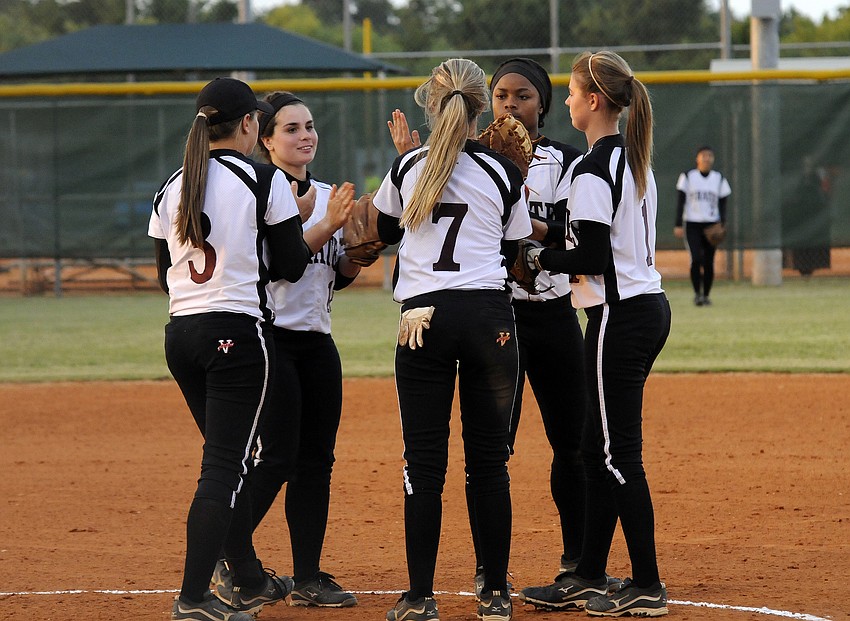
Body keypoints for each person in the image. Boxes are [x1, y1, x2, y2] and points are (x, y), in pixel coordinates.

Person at [389, 57, 592, 597]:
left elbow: (581, 239)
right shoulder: (482, 163)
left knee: (570, 443)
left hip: (546, 313)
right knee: (491, 452)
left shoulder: (566, 162)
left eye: (522, 95)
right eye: (500, 95)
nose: (510, 105)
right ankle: (490, 576)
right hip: (500, 315)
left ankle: (577, 563)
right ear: (485, 103)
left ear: (542, 103)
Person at [373, 57, 532, 621]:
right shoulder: (503, 172)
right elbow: (514, 253)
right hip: (488, 317)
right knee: (488, 462)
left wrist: (406, 159)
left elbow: (383, 229)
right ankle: (493, 595)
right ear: (481, 109)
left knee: (423, 463)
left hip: (422, 321)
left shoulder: (408, 167)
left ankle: (419, 596)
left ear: (431, 107)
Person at [148, 77, 312, 621]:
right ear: (249, 126)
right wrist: (312, 220)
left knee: (228, 460)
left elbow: (162, 277)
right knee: (225, 467)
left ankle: (246, 576)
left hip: (181, 335)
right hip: (235, 334)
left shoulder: (172, 184)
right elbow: (290, 266)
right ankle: (194, 598)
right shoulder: (264, 180)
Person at [517, 51, 672, 617]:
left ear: (595, 101)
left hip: (618, 316)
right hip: (644, 306)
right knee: (592, 446)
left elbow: (595, 255)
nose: (567, 102)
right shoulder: (631, 158)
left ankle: (647, 584)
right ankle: (586, 572)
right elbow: (594, 240)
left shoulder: (589, 168)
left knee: (615, 455)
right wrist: (545, 239)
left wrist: (537, 259)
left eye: (574, 93)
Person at [209, 90, 362, 608]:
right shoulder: (258, 191)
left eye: (310, 125)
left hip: (318, 340)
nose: (306, 136)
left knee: (317, 459)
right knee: (277, 455)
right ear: (265, 139)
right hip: (271, 338)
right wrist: (324, 225)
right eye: (291, 128)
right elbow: (278, 263)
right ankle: (226, 555)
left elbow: (335, 276)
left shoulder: (327, 191)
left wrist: (360, 248)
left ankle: (310, 576)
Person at [674, 145, 731, 306]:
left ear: (713, 159)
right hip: (692, 224)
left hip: (711, 225)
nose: (706, 158)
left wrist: (723, 223)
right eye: (703, 155)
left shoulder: (718, 178)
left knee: (709, 261)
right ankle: (697, 293)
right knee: (696, 259)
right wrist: (678, 223)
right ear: (697, 159)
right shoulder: (688, 176)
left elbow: (723, 202)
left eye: (709, 156)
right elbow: (681, 200)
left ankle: (706, 295)